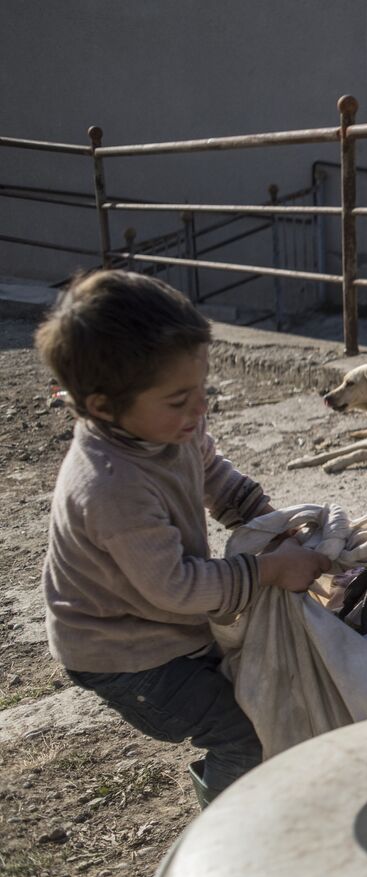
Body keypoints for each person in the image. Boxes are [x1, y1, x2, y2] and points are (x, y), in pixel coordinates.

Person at [36, 270, 331, 806]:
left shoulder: (167, 429)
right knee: (245, 735)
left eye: (203, 390)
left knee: (261, 689)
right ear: (103, 407)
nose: (200, 411)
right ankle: (225, 837)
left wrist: (266, 521)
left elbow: (213, 476)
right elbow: (175, 588)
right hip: (125, 651)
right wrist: (267, 571)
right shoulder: (110, 486)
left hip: (163, 620)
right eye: (178, 400)